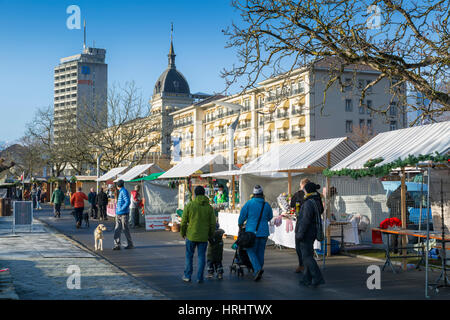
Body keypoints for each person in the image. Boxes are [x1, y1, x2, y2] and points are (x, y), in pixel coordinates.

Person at [180, 186, 216, 283]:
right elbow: (213, 224)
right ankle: (200, 277)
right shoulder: (209, 208)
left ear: (195, 194)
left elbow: (183, 221)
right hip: (203, 237)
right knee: (201, 257)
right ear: (204, 194)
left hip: (191, 235)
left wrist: (182, 232)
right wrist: (210, 234)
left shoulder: (190, 205)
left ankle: (187, 276)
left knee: (189, 256)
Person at [238, 185, 273, 281]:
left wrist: (240, 224)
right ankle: (258, 270)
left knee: (250, 250)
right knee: (260, 252)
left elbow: (242, 216)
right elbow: (270, 217)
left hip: (251, 232)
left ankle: (257, 269)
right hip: (264, 232)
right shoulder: (266, 205)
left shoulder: (249, 203)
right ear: (262, 194)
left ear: (254, 194)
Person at [295, 182, 325, 288]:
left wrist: (300, 233)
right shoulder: (316, 200)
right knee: (307, 255)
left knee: (307, 256)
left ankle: (317, 277)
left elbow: (305, 220)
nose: (303, 191)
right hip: (312, 231)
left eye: (304, 189)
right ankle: (306, 279)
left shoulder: (308, 203)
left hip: (306, 232)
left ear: (308, 190)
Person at [290, 178, 310, 273]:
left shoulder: (298, 194)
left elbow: (291, 205)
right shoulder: (314, 195)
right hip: (310, 223)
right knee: (307, 245)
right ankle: (306, 265)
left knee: (299, 245)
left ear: (302, 185)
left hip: (301, 222)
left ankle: (302, 265)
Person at [386, 185, 415, 253]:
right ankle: (401, 251)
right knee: (401, 234)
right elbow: (412, 203)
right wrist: (409, 195)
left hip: (392, 217)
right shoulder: (405, 194)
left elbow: (388, 204)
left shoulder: (392, 194)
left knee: (393, 234)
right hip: (402, 217)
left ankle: (393, 250)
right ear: (405, 189)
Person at [113, 180, 134, 250]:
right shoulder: (122, 191)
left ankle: (129, 244)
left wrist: (121, 209)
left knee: (124, 229)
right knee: (118, 229)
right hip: (119, 213)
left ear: (117, 186)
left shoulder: (123, 191)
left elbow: (128, 201)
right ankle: (117, 245)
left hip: (123, 213)